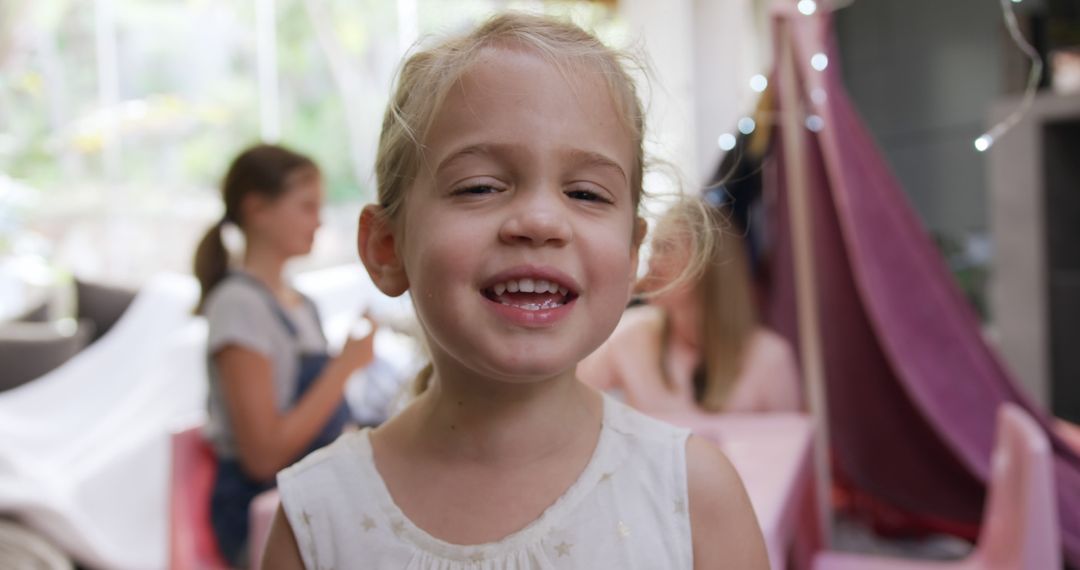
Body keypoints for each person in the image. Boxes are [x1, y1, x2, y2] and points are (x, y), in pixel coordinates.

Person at [262, 12, 769, 569]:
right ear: (386, 248)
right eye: (479, 186)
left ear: (629, 259)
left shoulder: (694, 499)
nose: (540, 220)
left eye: (586, 193)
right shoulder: (318, 518)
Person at [192, 144, 376, 565]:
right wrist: (345, 366)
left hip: (312, 496)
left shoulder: (302, 303)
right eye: (306, 206)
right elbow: (263, 457)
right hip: (262, 513)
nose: (319, 220)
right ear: (257, 209)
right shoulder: (238, 305)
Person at [579, 197, 801, 417]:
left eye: (667, 248)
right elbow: (570, 396)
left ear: (708, 266)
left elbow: (794, 447)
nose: (652, 262)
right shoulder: (629, 335)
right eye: (655, 248)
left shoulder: (771, 359)